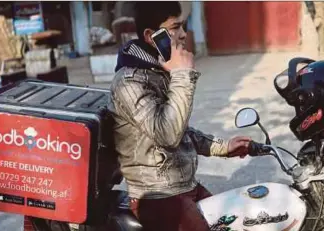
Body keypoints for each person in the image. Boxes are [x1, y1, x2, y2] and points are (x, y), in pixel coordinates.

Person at [108, 2, 253, 231]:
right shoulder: (129, 82)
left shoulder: (156, 70)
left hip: (183, 186)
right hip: (158, 195)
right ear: (150, 35)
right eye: (176, 27)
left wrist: (222, 147)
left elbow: (180, 129)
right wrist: (183, 75)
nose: (183, 35)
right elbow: (168, 135)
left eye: (183, 26)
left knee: (235, 221)